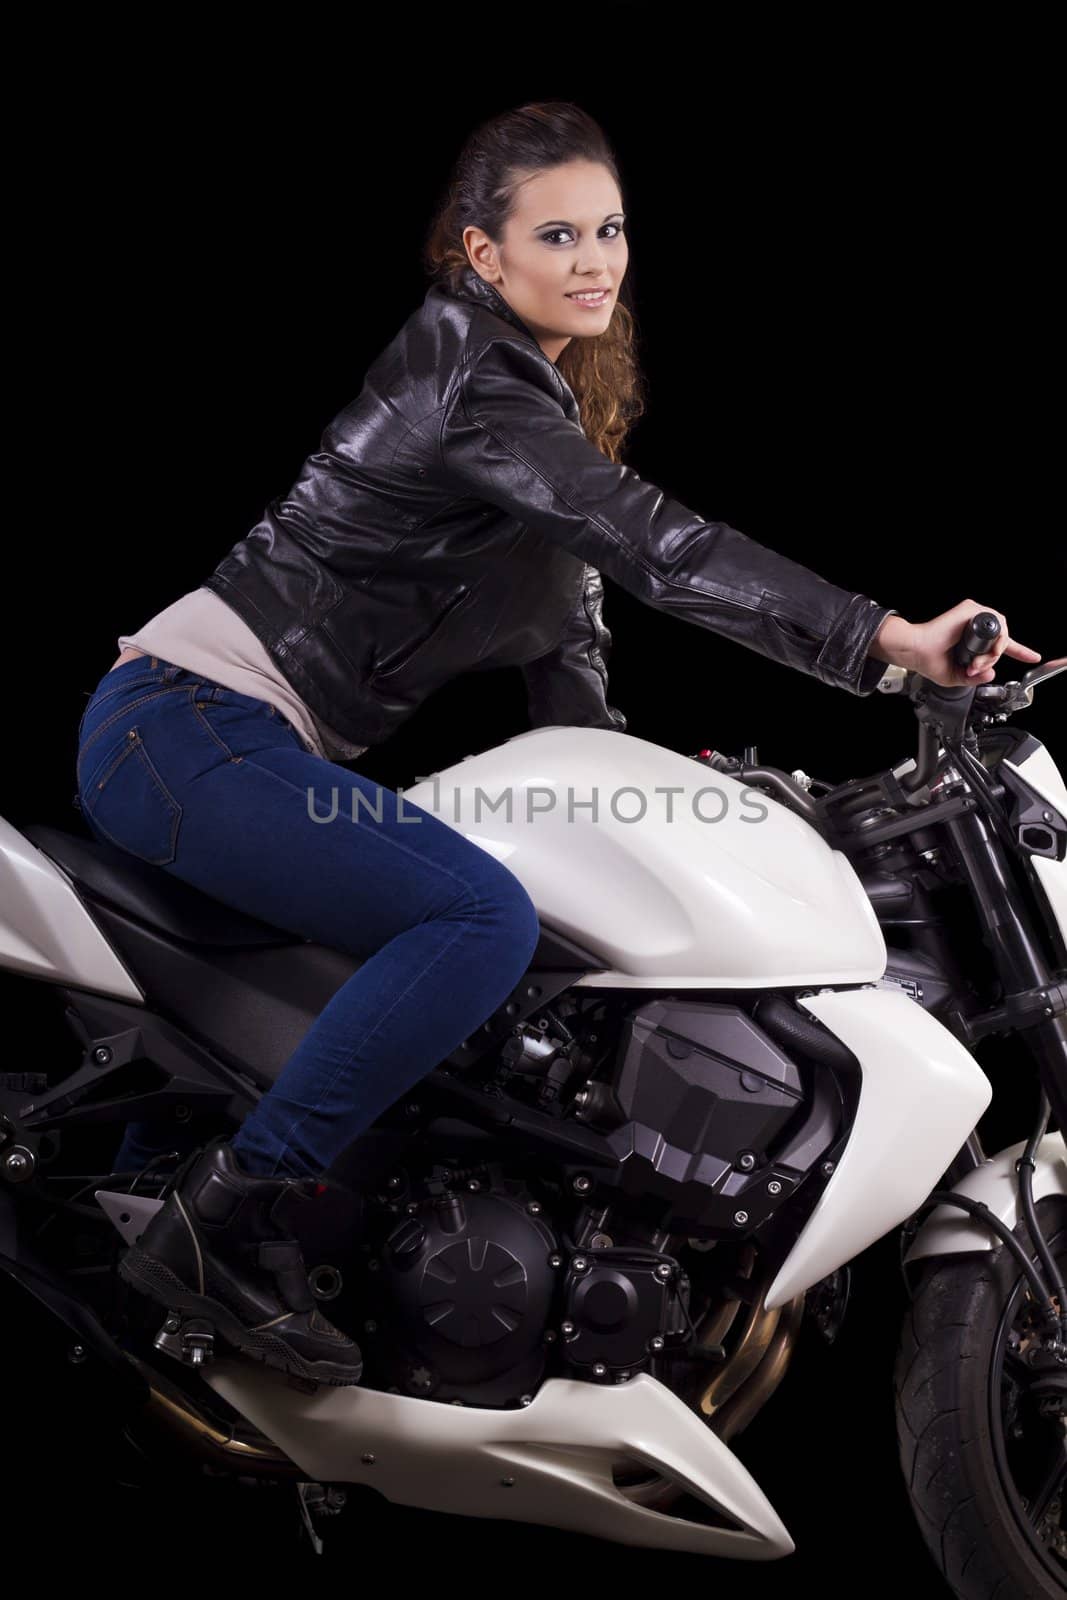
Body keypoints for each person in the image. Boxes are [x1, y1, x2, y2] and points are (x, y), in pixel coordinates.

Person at [75, 100, 1041, 1389]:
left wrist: (712, 807)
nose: (596, 259)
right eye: (560, 233)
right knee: (479, 924)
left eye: (613, 229)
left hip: (231, 743)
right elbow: (661, 547)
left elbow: (579, 703)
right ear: (485, 256)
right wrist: (885, 637)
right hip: (184, 728)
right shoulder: (466, 376)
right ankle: (230, 1217)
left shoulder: (531, 453)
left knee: (536, 950)